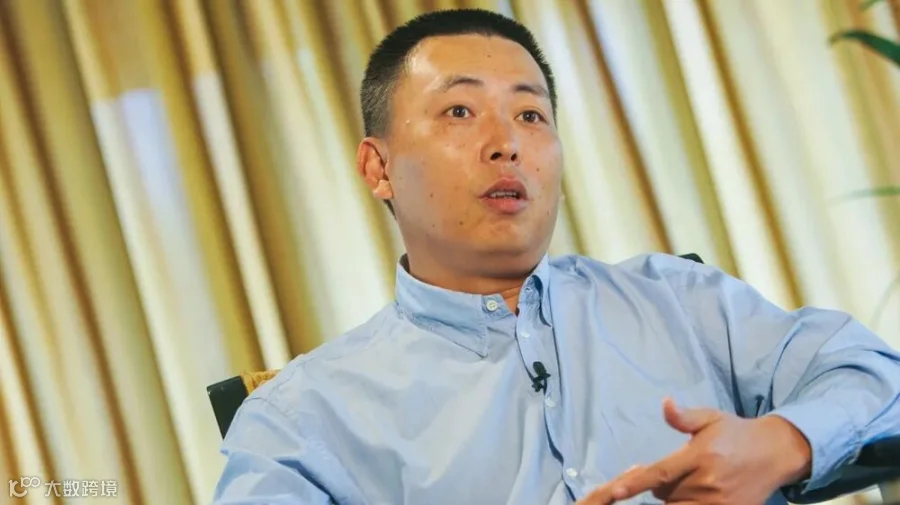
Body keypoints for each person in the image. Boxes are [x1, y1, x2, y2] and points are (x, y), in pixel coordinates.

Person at [212, 8, 900, 505]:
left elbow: (877, 375)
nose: (506, 143)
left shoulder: (678, 298)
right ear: (378, 167)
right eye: (459, 112)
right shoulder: (300, 416)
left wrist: (784, 442)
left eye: (531, 115)